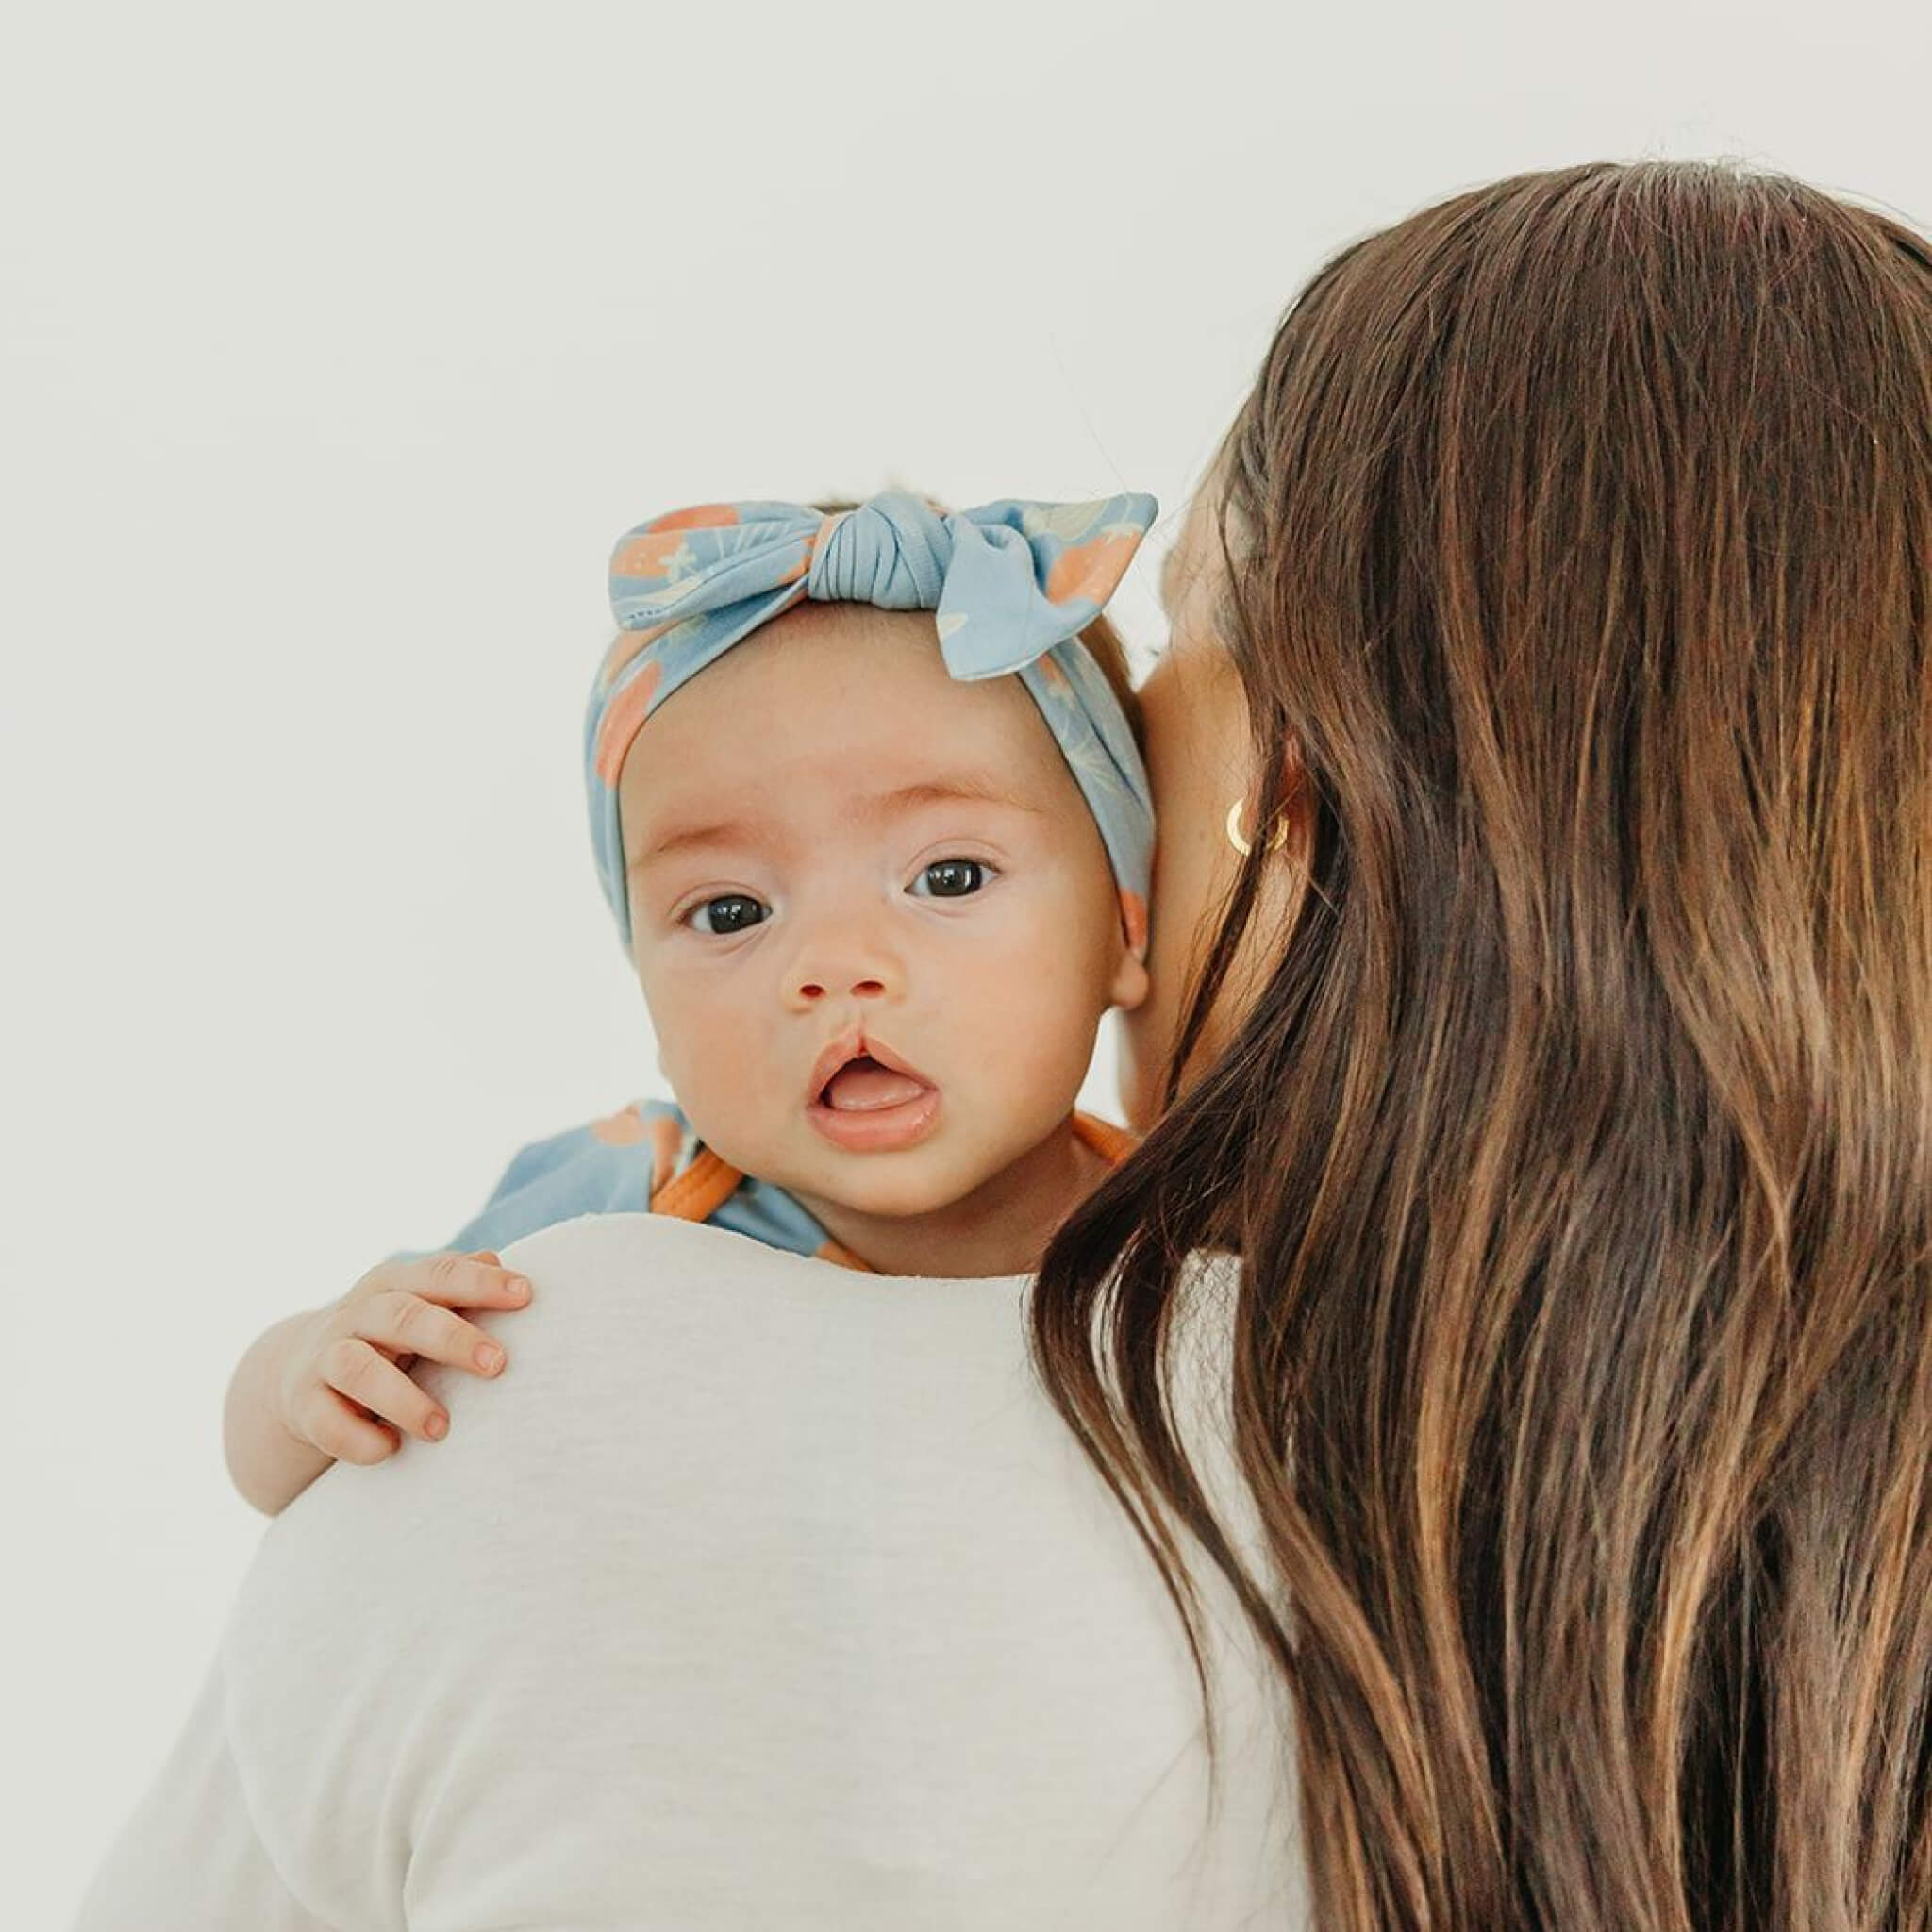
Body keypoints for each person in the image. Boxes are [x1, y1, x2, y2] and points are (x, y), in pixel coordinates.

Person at [75, 158, 1932, 1930]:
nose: (848, 966)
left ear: (1280, 798)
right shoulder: (1823, 1588)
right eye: (730, 909)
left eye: (1178, 637)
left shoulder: (555, 1395)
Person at [223, 490, 1160, 1519]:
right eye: (728, 909)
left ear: (1122, 923)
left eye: (948, 877)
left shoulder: (1198, 1226)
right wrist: (299, 1374)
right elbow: (300, 1457)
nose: (835, 965)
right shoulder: (631, 1206)